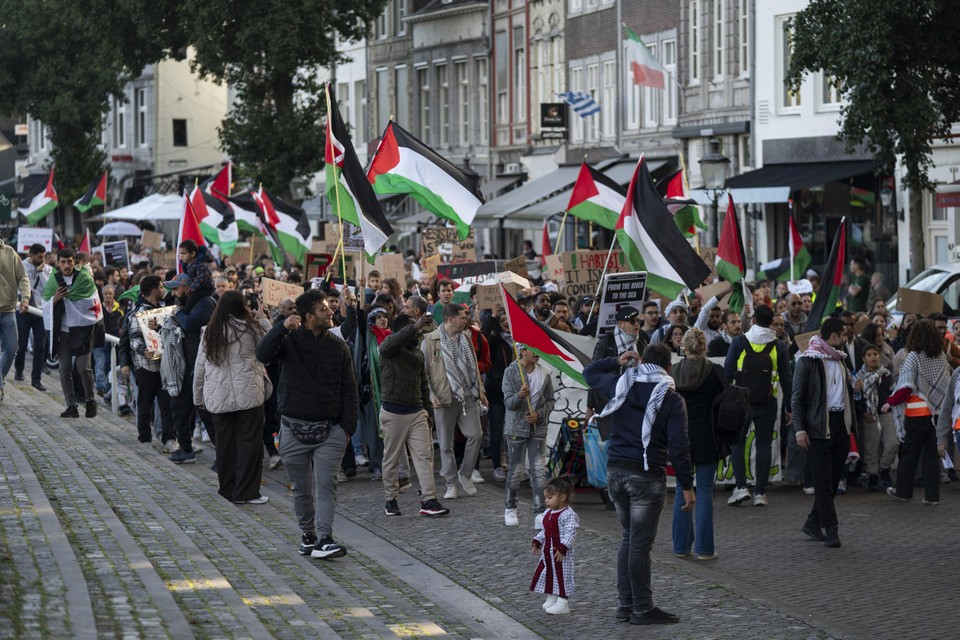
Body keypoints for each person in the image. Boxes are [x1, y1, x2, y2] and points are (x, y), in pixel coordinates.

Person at [584, 343, 695, 626]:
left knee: (628, 538)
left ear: (641, 360)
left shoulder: (623, 383)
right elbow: (679, 445)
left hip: (616, 472)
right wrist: (687, 484)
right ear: (669, 367)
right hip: (645, 475)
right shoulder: (671, 398)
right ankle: (643, 608)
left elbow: (589, 372)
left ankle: (626, 606)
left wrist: (615, 360)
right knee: (639, 545)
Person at [257, 290, 357, 559]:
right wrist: (280, 325)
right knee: (301, 490)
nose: (330, 312)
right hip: (293, 428)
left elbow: (349, 388)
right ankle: (309, 535)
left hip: (330, 431)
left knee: (326, 486)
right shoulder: (288, 341)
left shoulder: (339, 347)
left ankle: (325, 538)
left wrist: (347, 429)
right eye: (324, 309)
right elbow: (262, 354)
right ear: (309, 316)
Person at [194, 290, 270, 504]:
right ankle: (247, 492)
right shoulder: (251, 328)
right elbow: (268, 348)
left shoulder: (209, 331)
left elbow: (200, 366)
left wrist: (197, 395)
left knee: (224, 444)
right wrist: (263, 319)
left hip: (218, 395)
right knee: (250, 443)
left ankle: (227, 489)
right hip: (250, 393)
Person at [378, 313, 450, 517]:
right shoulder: (389, 349)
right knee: (391, 459)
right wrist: (415, 326)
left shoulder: (418, 354)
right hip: (393, 411)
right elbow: (387, 346)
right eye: (413, 329)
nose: (417, 332)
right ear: (402, 331)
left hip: (417, 411)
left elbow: (423, 383)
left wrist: (428, 412)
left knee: (423, 456)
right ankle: (390, 499)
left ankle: (429, 500)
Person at [793, 317, 853, 548]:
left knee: (833, 477)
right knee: (823, 481)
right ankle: (831, 529)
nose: (846, 338)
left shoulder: (840, 359)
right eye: (844, 334)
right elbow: (797, 398)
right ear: (834, 336)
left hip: (840, 423)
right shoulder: (808, 360)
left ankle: (812, 521)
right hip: (819, 426)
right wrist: (800, 429)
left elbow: (841, 391)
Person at [724, 304, 792, 506]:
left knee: (737, 442)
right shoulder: (779, 346)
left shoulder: (738, 342)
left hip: (740, 401)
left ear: (753, 320)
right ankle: (760, 493)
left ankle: (741, 487)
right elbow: (787, 379)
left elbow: (727, 372)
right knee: (763, 444)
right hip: (768, 401)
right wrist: (789, 407)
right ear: (771, 322)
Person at [422, 303, 488, 499]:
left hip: (467, 395)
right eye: (462, 317)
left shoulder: (466, 338)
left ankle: (465, 474)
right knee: (445, 444)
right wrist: (431, 395)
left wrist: (481, 390)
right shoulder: (430, 340)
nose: (466, 319)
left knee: (476, 435)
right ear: (450, 319)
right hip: (444, 398)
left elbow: (474, 367)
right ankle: (451, 482)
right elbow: (423, 373)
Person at [881, 319, 949, 505]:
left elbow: (906, 387)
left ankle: (903, 492)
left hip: (917, 414)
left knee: (909, 454)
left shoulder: (913, 356)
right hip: (936, 414)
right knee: (931, 457)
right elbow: (945, 385)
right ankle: (932, 496)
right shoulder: (941, 356)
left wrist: (890, 402)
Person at [671, 329, 726, 561]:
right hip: (707, 435)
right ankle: (705, 549)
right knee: (704, 491)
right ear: (705, 347)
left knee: (680, 490)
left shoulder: (674, 372)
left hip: (681, 436)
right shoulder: (715, 371)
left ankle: (681, 546)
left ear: (684, 347)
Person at [163, 272, 217, 464]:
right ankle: (186, 449)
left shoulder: (205, 303)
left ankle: (224, 456)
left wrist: (178, 312)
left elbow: (190, 324)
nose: (174, 293)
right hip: (184, 367)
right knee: (178, 408)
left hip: (200, 367)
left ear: (188, 288)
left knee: (205, 413)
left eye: (176, 289)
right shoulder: (186, 304)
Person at [42, 248, 101, 418]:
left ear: (75, 262)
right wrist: (55, 300)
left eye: (69, 261)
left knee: (84, 368)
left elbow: (93, 301)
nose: (66, 265)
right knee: (64, 369)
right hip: (62, 332)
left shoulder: (84, 279)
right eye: (63, 262)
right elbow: (44, 304)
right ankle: (71, 406)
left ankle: (90, 400)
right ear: (58, 263)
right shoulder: (53, 280)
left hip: (82, 330)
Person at [502, 344, 556, 528]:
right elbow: (509, 403)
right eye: (533, 349)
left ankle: (540, 511)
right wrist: (519, 395)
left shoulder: (545, 373)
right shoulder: (511, 372)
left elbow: (551, 400)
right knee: (516, 470)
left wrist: (539, 414)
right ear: (522, 351)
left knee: (538, 470)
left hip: (538, 428)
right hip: (516, 428)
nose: (537, 353)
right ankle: (510, 508)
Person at [119, 276, 176, 444]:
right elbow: (133, 338)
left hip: (164, 366)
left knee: (167, 405)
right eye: (160, 288)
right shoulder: (137, 314)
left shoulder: (165, 310)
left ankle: (169, 438)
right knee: (145, 404)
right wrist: (143, 350)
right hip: (145, 367)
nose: (163, 291)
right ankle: (144, 438)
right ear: (153, 291)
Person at [587, 305, 645, 422]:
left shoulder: (640, 342)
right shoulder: (606, 343)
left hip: (634, 401)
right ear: (621, 324)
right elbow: (593, 373)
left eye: (638, 321)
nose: (636, 324)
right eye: (632, 321)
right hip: (609, 402)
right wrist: (589, 407)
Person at [530, 477, 579, 615]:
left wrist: (563, 547)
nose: (546, 501)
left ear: (562, 497)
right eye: (545, 497)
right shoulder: (548, 513)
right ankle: (552, 595)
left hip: (560, 554)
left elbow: (571, 532)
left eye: (549, 497)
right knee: (550, 574)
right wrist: (537, 541)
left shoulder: (568, 515)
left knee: (563, 576)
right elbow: (545, 531)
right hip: (548, 553)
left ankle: (563, 602)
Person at [856, 344, 896, 491]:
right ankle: (873, 475)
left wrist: (890, 406)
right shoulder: (859, 377)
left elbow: (893, 393)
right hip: (870, 416)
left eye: (875, 354)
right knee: (871, 448)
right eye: (869, 355)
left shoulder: (886, 374)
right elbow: (857, 397)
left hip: (887, 414)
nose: (873, 357)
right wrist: (864, 412)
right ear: (863, 359)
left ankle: (884, 468)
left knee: (893, 443)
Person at [14, 243, 48, 392]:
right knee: (21, 344)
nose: (42, 259)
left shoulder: (48, 269)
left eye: (44, 256)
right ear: (31, 256)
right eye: (39, 257)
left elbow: (48, 290)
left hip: (40, 312)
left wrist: (41, 273)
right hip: (23, 309)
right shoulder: (20, 266)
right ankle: (19, 369)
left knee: (40, 346)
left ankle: (36, 379)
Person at [0, 236, 30, 401]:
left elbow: (23, 278)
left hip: (9, 310)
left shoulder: (10, 252)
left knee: (12, 349)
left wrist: (25, 298)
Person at [177, 240, 216, 314]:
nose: (181, 256)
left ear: (192, 254)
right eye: (180, 253)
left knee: (191, 297)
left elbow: (201, 279)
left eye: (184, 254)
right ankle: (180, 310)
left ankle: (186, 314)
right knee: (181, 296)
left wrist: (191, 289)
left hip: (205, 288)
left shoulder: (200, 264)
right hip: (194, 287)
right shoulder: (186, 264)